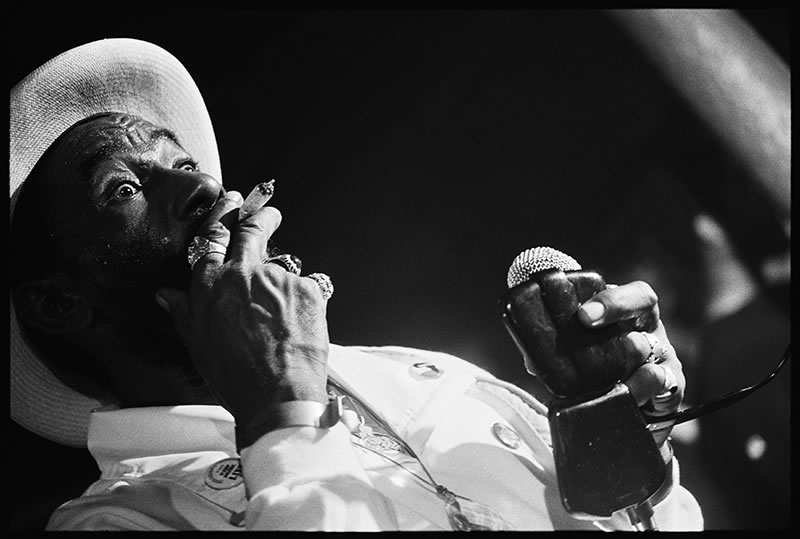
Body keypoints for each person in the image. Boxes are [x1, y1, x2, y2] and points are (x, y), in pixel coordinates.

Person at [10, 38, 703, 531]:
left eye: (185, 162)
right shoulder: (121, 519)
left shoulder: (423, 374)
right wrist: (283, 418)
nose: (203, 186)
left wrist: (624, 432)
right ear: (60, 301)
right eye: (126, 187)